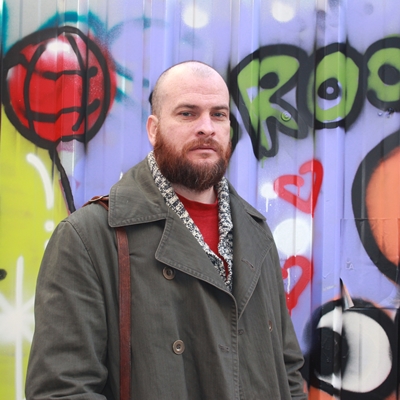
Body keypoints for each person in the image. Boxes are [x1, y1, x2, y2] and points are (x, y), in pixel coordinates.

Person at [26, 61, 306, 399]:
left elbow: (287, 369)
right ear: (153, 129)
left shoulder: (255, 232)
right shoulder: (90, 236)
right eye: (188, 114)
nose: (207, 128)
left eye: (218, 115)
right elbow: (63, 389)